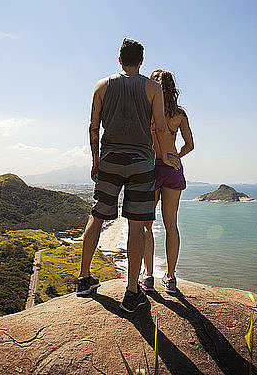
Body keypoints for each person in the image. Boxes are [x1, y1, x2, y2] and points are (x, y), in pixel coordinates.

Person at [76, 39, 181, 312]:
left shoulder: (101, 86)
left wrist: (96, 159)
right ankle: (132, 291)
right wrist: (168, 156)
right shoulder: (152, 87)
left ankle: (84, 278)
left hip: (110, 159)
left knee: (97, 216)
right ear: (141, 62)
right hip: (141, 163)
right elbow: (159, 128)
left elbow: (93, 126)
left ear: (119, 60)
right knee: (137, 224)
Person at [141, 69, 194, 294]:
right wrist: (175, 156)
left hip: (150, 167)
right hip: (173, 170)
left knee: (146, 224)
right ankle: (171, 278)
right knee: (171, 224)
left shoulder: (147, 111)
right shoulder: (180, 114)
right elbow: (190, 145)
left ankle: (148, 276)